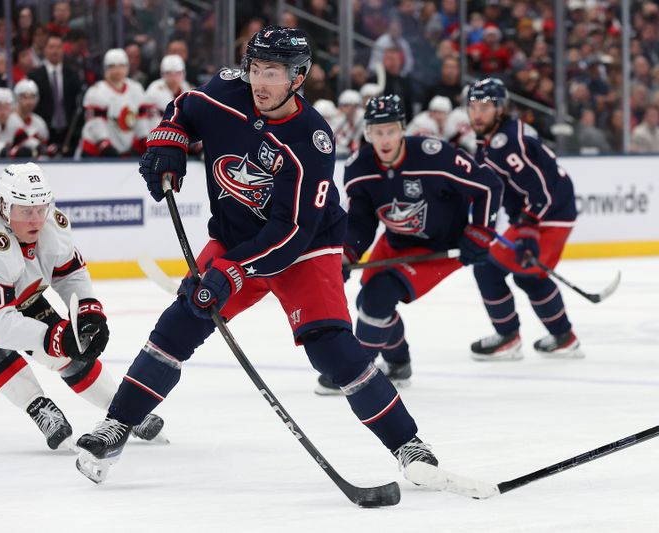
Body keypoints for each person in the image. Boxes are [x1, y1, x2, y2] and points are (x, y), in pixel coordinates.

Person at [74, 26, 442, 488]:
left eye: (273, 71)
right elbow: (184, 106)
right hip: (235, 237)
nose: (260, 81)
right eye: (255, 68)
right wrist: (169, 140)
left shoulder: (312, 139)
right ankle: (117, 425)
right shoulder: (229, 90)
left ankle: (407, 444)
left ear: (299, 77)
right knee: (181, 321)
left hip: (305, 250)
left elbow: (291, 231)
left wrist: (231, 271)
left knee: (332, 349)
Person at [0, 163, 165, 450]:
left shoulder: (52, 223)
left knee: (68, 346)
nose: (35, 220)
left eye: (40, 208)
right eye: (25, 211)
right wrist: (55, 338)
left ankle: (123, 410)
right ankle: (37, 406)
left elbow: (70, 273)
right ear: (4, 208)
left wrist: (89, 311)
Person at [314, 95, 502, 394]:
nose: (385, 138)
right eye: (378, 131)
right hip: (396, 241)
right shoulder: (359, 168)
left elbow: (488, 185)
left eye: (390, 130)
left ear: (402, 128)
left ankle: (357, 370)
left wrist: (480, 232)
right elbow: (361, 221)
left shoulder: (435, 154)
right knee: (368, 303)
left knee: (377, 298)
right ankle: (399, 363)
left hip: (439, 247)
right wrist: (347, 251)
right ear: (367, 133)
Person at [466, 78, 582, 360]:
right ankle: (563, 336)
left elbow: (541, 190)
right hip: (547, 212)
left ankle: (508, 336)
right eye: (472, 106)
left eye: (485, 106)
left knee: (489, 269)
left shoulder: (506, 143)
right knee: (529, 276)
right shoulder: (492, 140)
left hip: (550, 214)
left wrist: (528, 228)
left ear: (500, 108)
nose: (477, 113)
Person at [80, 48, 149, 157]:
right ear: (105, 68)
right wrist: (105, 145)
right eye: (112, 66)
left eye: (121, 66)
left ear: (127, 67)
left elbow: (141, 120)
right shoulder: (95, 91)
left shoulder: (136, 89)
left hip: (125, 150)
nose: (117, 70)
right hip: (97, 153)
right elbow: (96, 125)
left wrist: (145, 140)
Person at [6, 79, 53, 158]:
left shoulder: (39, 122)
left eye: (32, 97)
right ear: (16, 98)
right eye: (25, 97)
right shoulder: (8, 120)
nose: (29, 101)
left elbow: (43, 151)